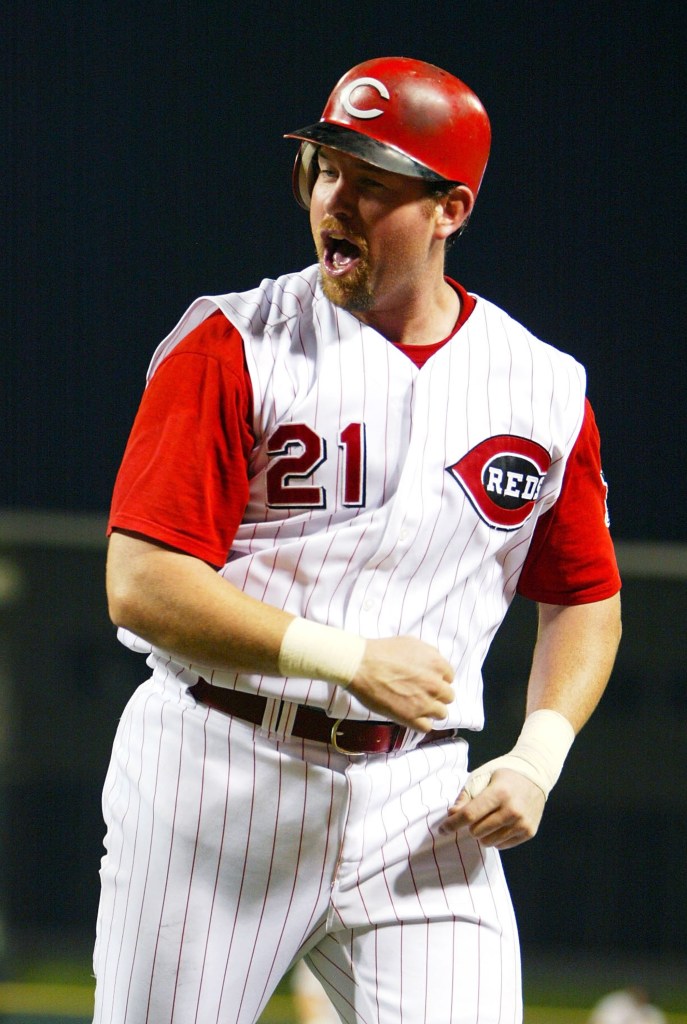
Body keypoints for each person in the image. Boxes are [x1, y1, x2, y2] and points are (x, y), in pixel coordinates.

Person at [93, 56, 622, 1024]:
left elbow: (584, 592)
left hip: (423, 803)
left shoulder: (542, 385)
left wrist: (539, 753)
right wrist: (344, 658)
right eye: (326, 169)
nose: (335, 199)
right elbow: (142, 582)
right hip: (218, 771)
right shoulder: (233, 344)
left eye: (373, 183)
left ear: (450, 209)